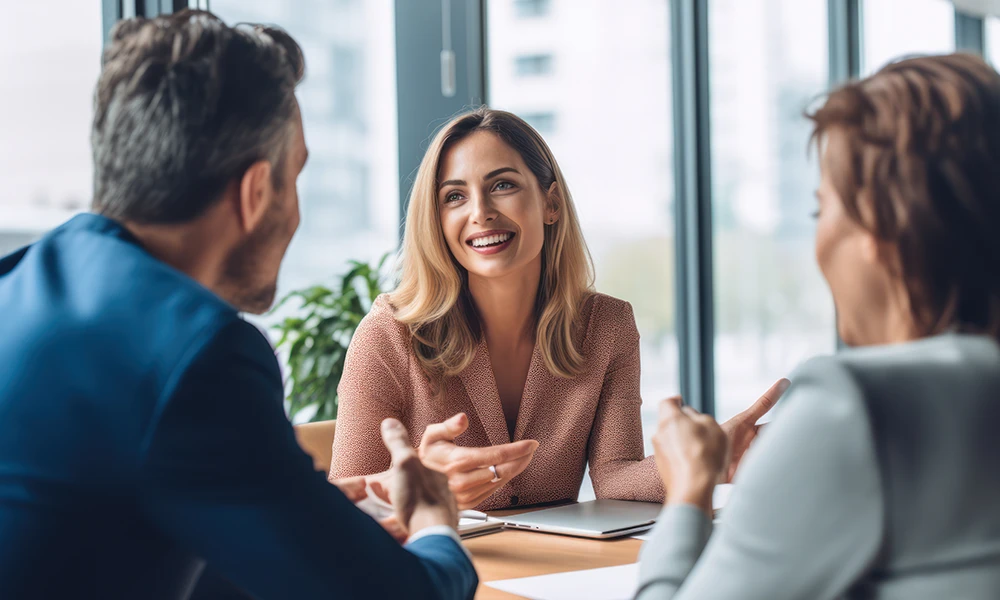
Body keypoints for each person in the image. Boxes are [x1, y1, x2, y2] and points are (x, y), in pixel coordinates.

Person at [0, 10, 476, 600]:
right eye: (295, 176)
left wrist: (297, 513)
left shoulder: (18, 283)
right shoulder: (196, 354)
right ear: (255, 193)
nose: (296, 210)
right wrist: (435, 523)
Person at [636, 53, 1000, 599]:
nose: (818, 243)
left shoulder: (854, 404)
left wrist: (688, 489)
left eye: (820, 209)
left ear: (880, 225)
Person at [330, 107, 784, 510]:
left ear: (550, 203)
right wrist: (420, 484)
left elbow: (614, 476)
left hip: (555, 573)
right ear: (437, 218)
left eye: (502, 185)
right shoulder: (390, 332)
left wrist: (704, 462)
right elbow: (341, 498)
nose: (480, 212)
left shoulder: (607, 325)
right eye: (455, 196)